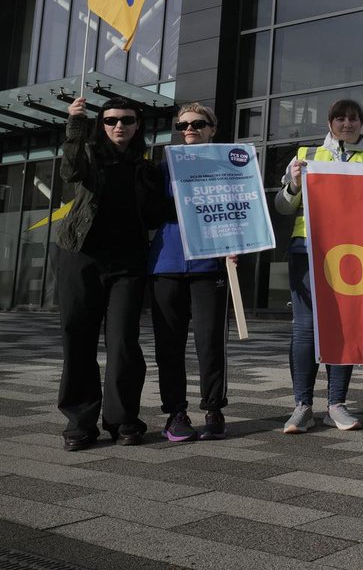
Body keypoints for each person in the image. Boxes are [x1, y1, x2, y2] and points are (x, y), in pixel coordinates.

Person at [56, 96, 162, 451]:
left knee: (123, 343)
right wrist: (75, 124)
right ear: (101, 125)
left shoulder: (147, 168)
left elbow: (157, 215)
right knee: (78, 338)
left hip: (128, 264)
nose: (119, 126)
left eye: (128, 120)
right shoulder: (88, 155)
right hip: (81, 256)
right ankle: (80, 422)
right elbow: (68, 171)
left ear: (138, 125)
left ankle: (122, 419)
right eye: (111, 120)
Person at [275, 100, 363, 434]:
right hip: (307, 249)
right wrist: (293, 184)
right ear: (329, 122)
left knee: (345, 327)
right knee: (305, 328)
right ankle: (302, 406)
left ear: (362, 124)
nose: (347, 124)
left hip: (354, 255)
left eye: (353, 118)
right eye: (340, 118)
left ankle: (336, 405)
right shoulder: (306, 155)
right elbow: (282, 206)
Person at [147, 103, 231, 442]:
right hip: (167, 262)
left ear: (212, 129)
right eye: (182, 125)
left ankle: (214, 407)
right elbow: (149, 211)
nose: (189, 129)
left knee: (211, 341)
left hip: (210, 264)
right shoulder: (161, 168)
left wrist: (240, 244)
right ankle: (175, 413)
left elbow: (243, 211)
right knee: (169, 343)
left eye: (198, 124)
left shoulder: (229, 165)